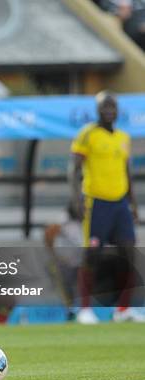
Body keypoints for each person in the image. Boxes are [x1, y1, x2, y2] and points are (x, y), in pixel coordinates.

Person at [69, 91, 144, 324]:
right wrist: (77, 200)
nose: (109, 111)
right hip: (96, 202)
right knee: (91, 255)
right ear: (97, 110)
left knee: (130, 253)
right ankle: (84, 310)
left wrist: (133, 204)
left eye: (112, 107)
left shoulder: (123, 137)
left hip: (120, 203)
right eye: (104, 107)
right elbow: (74, 170)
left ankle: (122, 309)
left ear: (117, 110)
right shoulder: (87, 135)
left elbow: (126, 172)